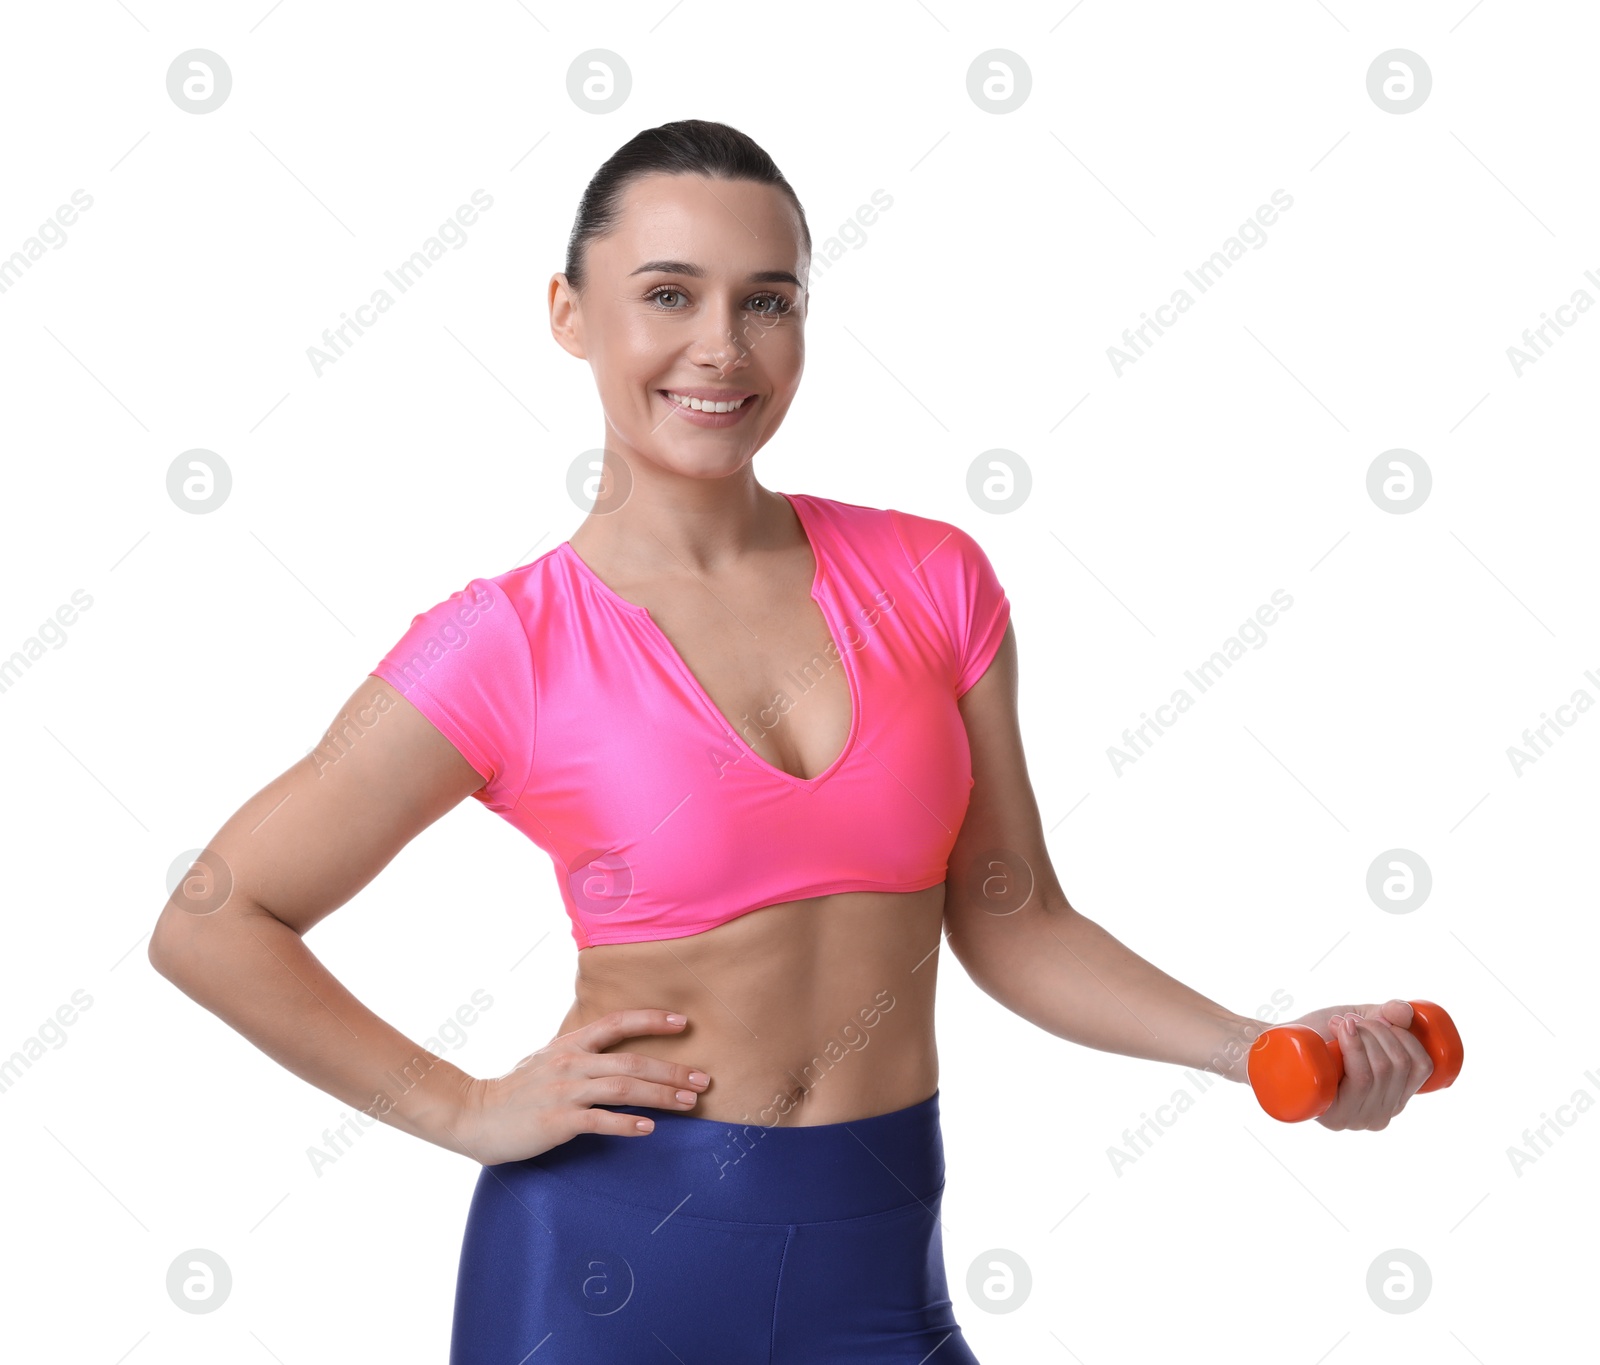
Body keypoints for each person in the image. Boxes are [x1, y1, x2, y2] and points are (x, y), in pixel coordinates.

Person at [148, 118, 1437, 1363]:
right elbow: (214, 918)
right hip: (599, 1282)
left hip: (876, 1277)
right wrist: (462, 1107)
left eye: (768, 300)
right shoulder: (503, 643)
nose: (721, 347)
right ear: (567, 315)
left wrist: (1257, 1046)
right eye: (667, 294)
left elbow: (1014, 920)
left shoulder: (934, 577)